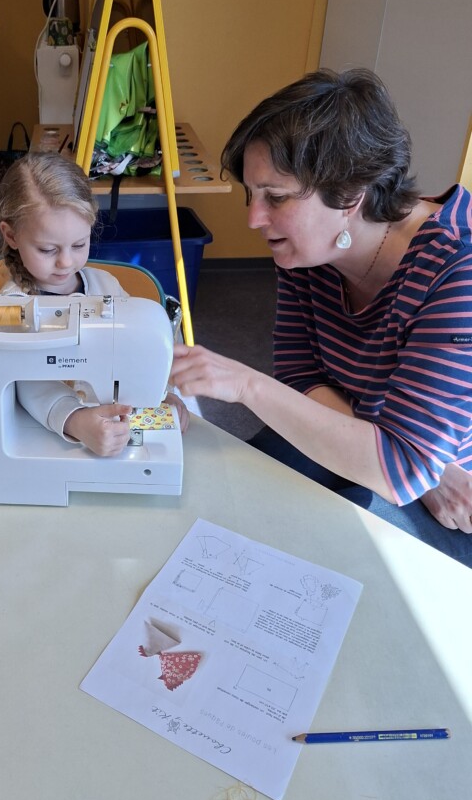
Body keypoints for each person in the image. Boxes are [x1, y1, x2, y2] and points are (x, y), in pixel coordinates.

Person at [169, 68, 472, 565]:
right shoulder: (308, 248)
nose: (253, 218)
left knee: (313, 546)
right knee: (232, 494)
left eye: (276, 197)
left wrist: (245, 384)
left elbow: (399, 471)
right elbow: (300, 373)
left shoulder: (456, 270)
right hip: (412, 465)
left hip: (456, 505)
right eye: (252, 194)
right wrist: (418, 466)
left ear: (350, 194)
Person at [0, 151, 189, 456]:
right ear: (11, 235)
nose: (66, 262)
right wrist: (77, 421)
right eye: (47, 249)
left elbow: (138, 349)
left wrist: (161, 394)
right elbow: (26, 382)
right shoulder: (10, 309)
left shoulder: (107, 286)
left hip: (109, 430)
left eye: (80, 244)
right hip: (47, 441)